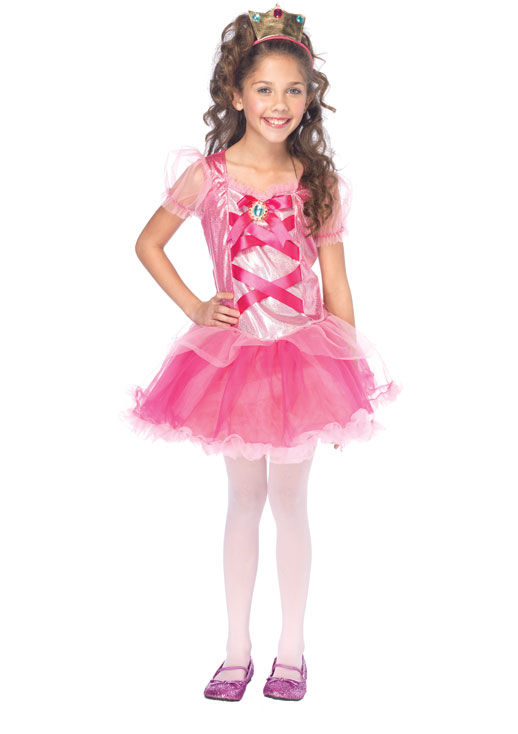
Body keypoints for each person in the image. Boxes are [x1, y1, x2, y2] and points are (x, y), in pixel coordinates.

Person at [121, 4, 401, 701]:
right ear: (238, 94)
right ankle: (236, 650)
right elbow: (148, 244)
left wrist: (346, 387)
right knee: (243, 500)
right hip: (235, 362)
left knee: (291, 503)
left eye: (293, 90)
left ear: (310, 98)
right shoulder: (209, 176)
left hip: (304, 359)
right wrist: (196, 307)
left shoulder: (315, 181)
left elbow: (336, 286)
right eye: (265, 89)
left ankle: (292, 651)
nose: (279, 103)